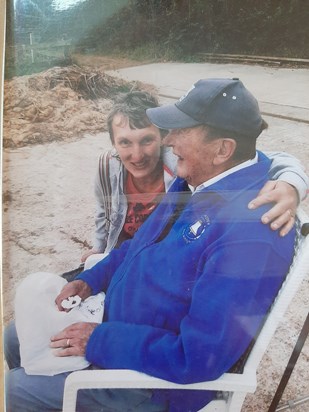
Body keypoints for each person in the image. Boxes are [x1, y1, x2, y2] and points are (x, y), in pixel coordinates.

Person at [4, 79, 306, 412]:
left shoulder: (249, 233)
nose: (169, 140)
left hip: (150, 384)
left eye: (182, 130)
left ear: (222, 149)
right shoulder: (197, 180)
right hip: (120, 328)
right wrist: (92, 279)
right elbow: (138, 246)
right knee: (14, 337)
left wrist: (99, 340)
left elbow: (196, 357)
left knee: (13, 390)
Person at [81, 91, 307, 263]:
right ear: (113, 143)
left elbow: (256, 157)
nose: (137, 155)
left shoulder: (178, 159)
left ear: (163, 137)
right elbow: (105, 214)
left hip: (162, 253)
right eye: (125, 143)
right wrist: (99, 248)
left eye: (146, 140)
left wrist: (291, 184)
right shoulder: (107, 166)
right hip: (124, 253)